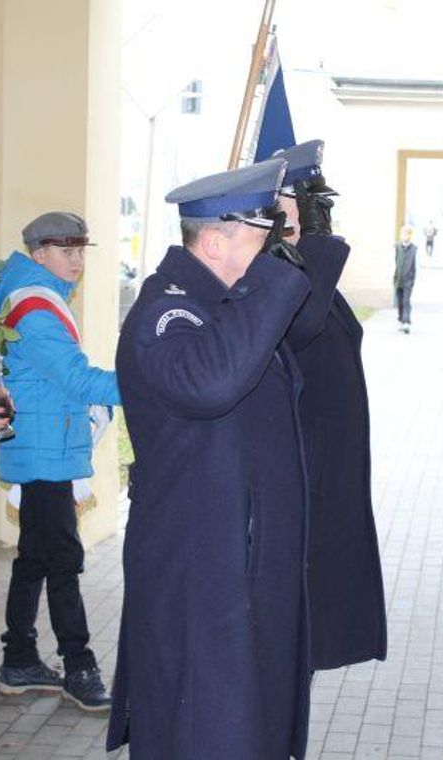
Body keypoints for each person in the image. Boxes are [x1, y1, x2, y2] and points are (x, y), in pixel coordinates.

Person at [107, 159, 313, 759]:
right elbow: (210, 385)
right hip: (198, 562)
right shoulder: (167, 313)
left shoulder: (223, 304)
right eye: (263, 233)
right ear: (216, 241)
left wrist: (294, 252)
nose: (274, 245)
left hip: (237, 553)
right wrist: (274, 274)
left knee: (247, 714)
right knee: (203, 720)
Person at [0, 211, 120, 711]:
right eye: (66, 251)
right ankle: (78, 664)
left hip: (42, 445)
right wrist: (151, 382)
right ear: (38, 252)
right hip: (44, 452)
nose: (77, 261)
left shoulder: (33, 293)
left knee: (36, 557)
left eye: (81, 251)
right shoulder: (37, 308)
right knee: (63, 559)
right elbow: (79, 381)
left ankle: (18, 658)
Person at [270, 140, 387, 671]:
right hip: (304, 468)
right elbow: (301, 326)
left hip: (330, 465)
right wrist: (311, 242)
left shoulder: (300, 267)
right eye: (309, 199)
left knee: (316, 623)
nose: (323, 212)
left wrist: (310, 240)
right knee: (296, 629)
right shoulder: (273, 274)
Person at [393, 224, 417, 333]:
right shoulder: (397, 247)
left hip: (408, 281)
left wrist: (413, 280)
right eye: (403, 234)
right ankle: (401, 321)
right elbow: (394, 263)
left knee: (406, 301)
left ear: (410, 235)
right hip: (398, 280)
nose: (404, 236)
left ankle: (407, 322)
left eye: (407, 234)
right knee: (400, 302)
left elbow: (416, 266)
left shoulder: (414, 249)